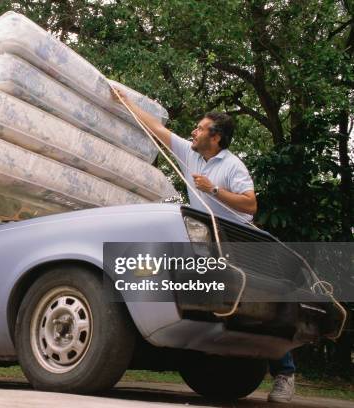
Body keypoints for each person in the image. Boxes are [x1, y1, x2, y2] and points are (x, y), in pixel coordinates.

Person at [113, 88, 295, 403]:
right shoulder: (189, 153)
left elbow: (250, 206)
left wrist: (213, 191)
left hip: (239, 242)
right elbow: (158, 130)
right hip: (206, 239)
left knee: (259, 307)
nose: (193, 132)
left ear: (217, 137)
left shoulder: (232, 165)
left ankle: (285, 373)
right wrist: (125, 102)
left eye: (200, 128)